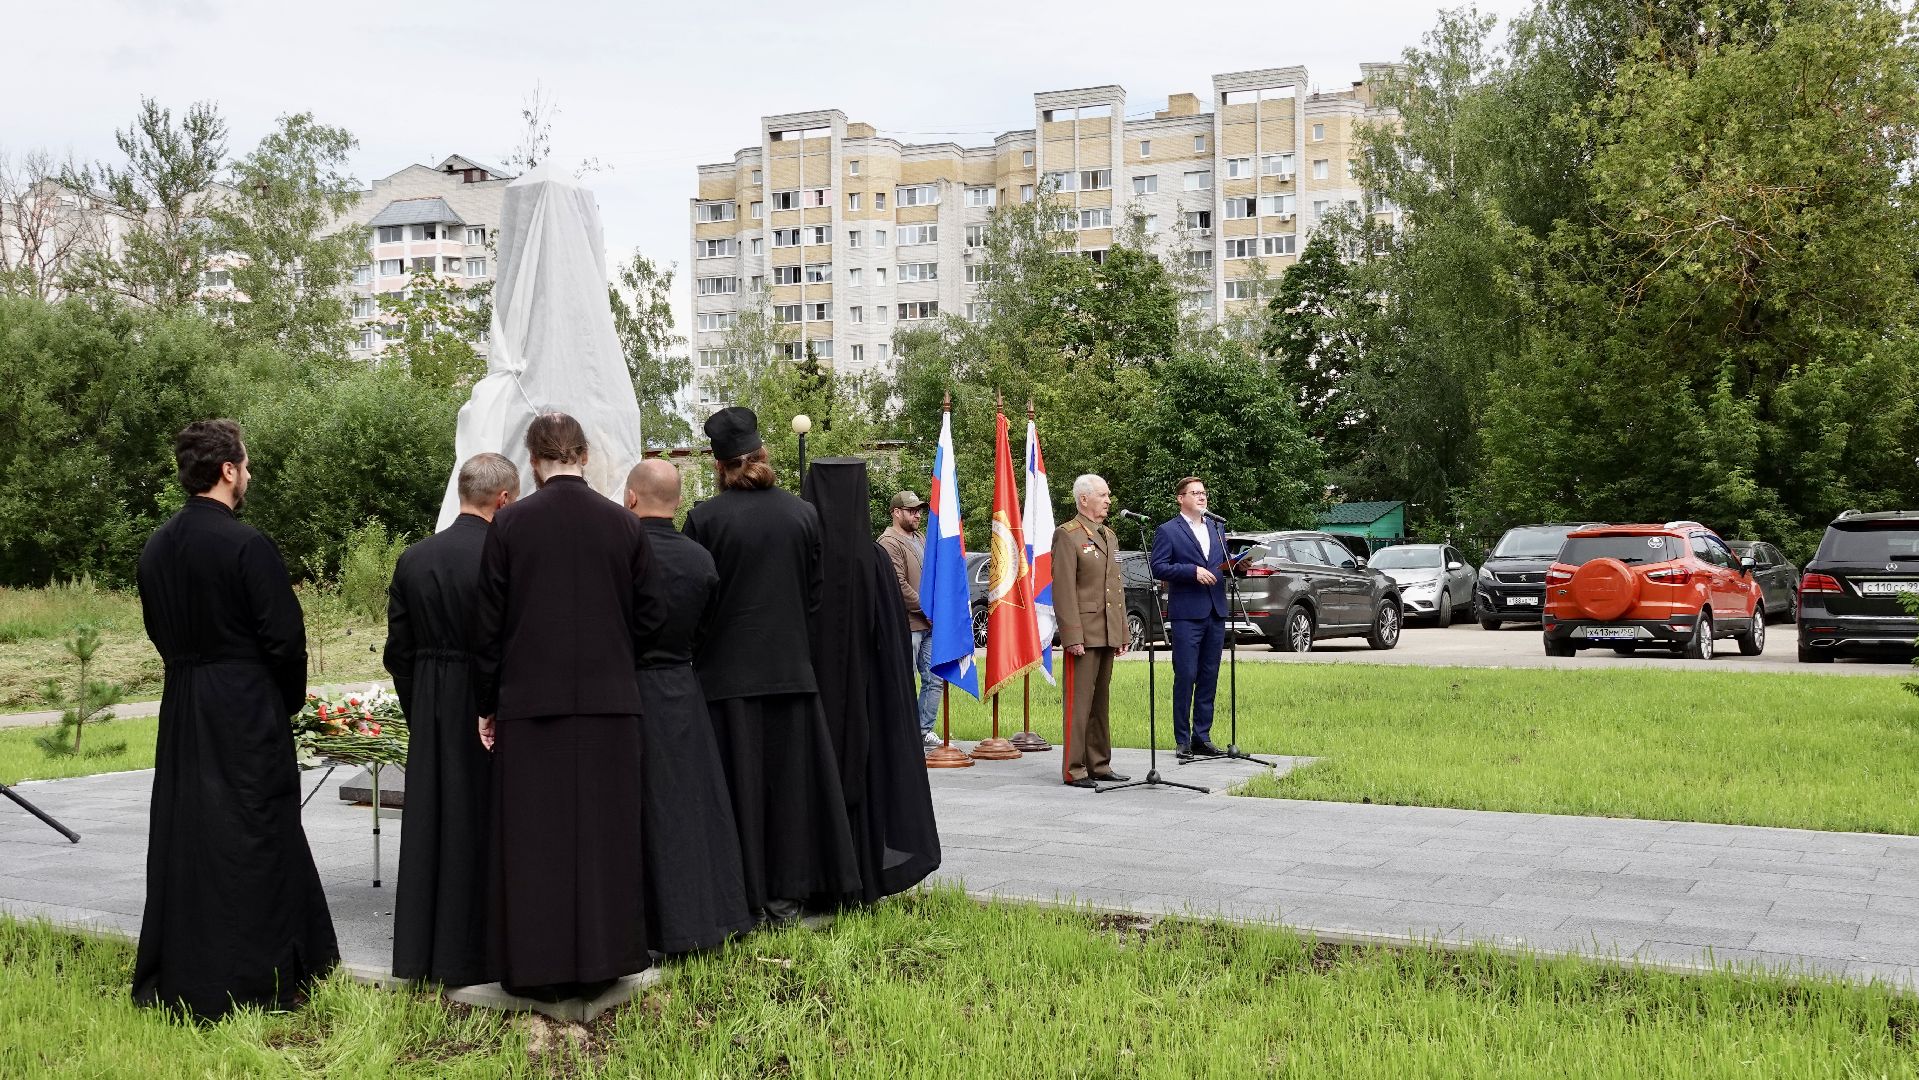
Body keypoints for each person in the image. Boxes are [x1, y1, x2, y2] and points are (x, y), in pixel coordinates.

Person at [133, 419, 338, 1020]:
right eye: (245, 465)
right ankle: (256, 979)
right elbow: (285, 639)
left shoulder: (155, 547)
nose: (248, 474)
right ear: (228, 470)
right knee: (255, 829)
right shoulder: (246, 544)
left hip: (183, 700)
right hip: (243, 702)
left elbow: (158, 631)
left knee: (190, 831)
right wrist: (285, 701)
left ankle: (185, 971)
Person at [472, 411, 656, 1001]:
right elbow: (649, 618)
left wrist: (486, 703)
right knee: (606, 837)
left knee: (535, 841)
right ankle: (605, 960)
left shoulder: (509, 524)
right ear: (585, 455)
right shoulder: (624, 525)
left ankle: (538, 967)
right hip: (610, 702)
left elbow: (489, 624)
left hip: (531, 705)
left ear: (533, 461)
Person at [682, 407, 860, 922]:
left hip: (724, 677)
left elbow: (696, 599)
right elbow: (814, 596)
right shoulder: (802, 515)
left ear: (719, 465)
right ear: (763, 453)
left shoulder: (704, 520)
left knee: (735, 790)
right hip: (789, 671)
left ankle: (744, 895)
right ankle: (788, 894)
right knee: (791, 790)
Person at [384, 452, 518, 988]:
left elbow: (398, 651)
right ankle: (482, 951)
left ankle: (424, 952)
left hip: (431, 697)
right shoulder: (505, 557)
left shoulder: (414, 559)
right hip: (488, 698)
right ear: (503, 500)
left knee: (432, 821)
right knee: (484, 818)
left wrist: (420, 705)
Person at [621, 458, 755, 954]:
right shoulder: (700, 560)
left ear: (631, 498)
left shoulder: (619, 556)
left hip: (630, 688)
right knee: (693, 804)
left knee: (638, 804)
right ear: (677, 502)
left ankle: (645, 924)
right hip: (682, 686)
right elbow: (705, 628)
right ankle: (706, 914)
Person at [803, 459, 942, 905]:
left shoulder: (806, 556)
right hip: (864, 690)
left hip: (813, 693)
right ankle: (863, 872)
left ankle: (814, 876)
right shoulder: (875, 557)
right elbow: (890, 635)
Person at [1050, 474, 1131, 789]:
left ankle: (1099, 764)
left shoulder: (1109, 535)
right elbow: (1063, 591)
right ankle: (1074, 768)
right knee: (1079, 702)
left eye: (1108, 495)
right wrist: (1071, 636)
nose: (1108, 500)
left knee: (1100, 701)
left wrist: (1122, 632)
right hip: (1083, 632)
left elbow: (1115, 588)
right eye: (1102, 495)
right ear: (1084, 499)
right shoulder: (1067, 535)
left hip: (1106, 631)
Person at [1150, 477, 1229, 758]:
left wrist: (1239, 565)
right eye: (1195, 493)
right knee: (1186, 675)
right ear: (1180, 498)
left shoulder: (1217, 527)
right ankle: (1182, 739)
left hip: (1215, 610)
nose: (1201, 497)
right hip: (1187, 614)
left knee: (1209, 675)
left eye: (1204, 492)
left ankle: (1202, 737)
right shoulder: (1168, 531)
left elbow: (1221, 565)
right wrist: (1191, 571)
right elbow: (1159, 567)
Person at [876, 490, 943, 750]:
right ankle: (899, 735)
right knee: (905, 680)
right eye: (911, 510)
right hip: (907, 623)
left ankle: (923, 731)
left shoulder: (921, 538)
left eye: (919, 511)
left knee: (934, 679)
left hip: (928, 623)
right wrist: (928, 609)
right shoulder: (888, 542)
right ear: (896, 512)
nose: (917, 515)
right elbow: (898, 585)